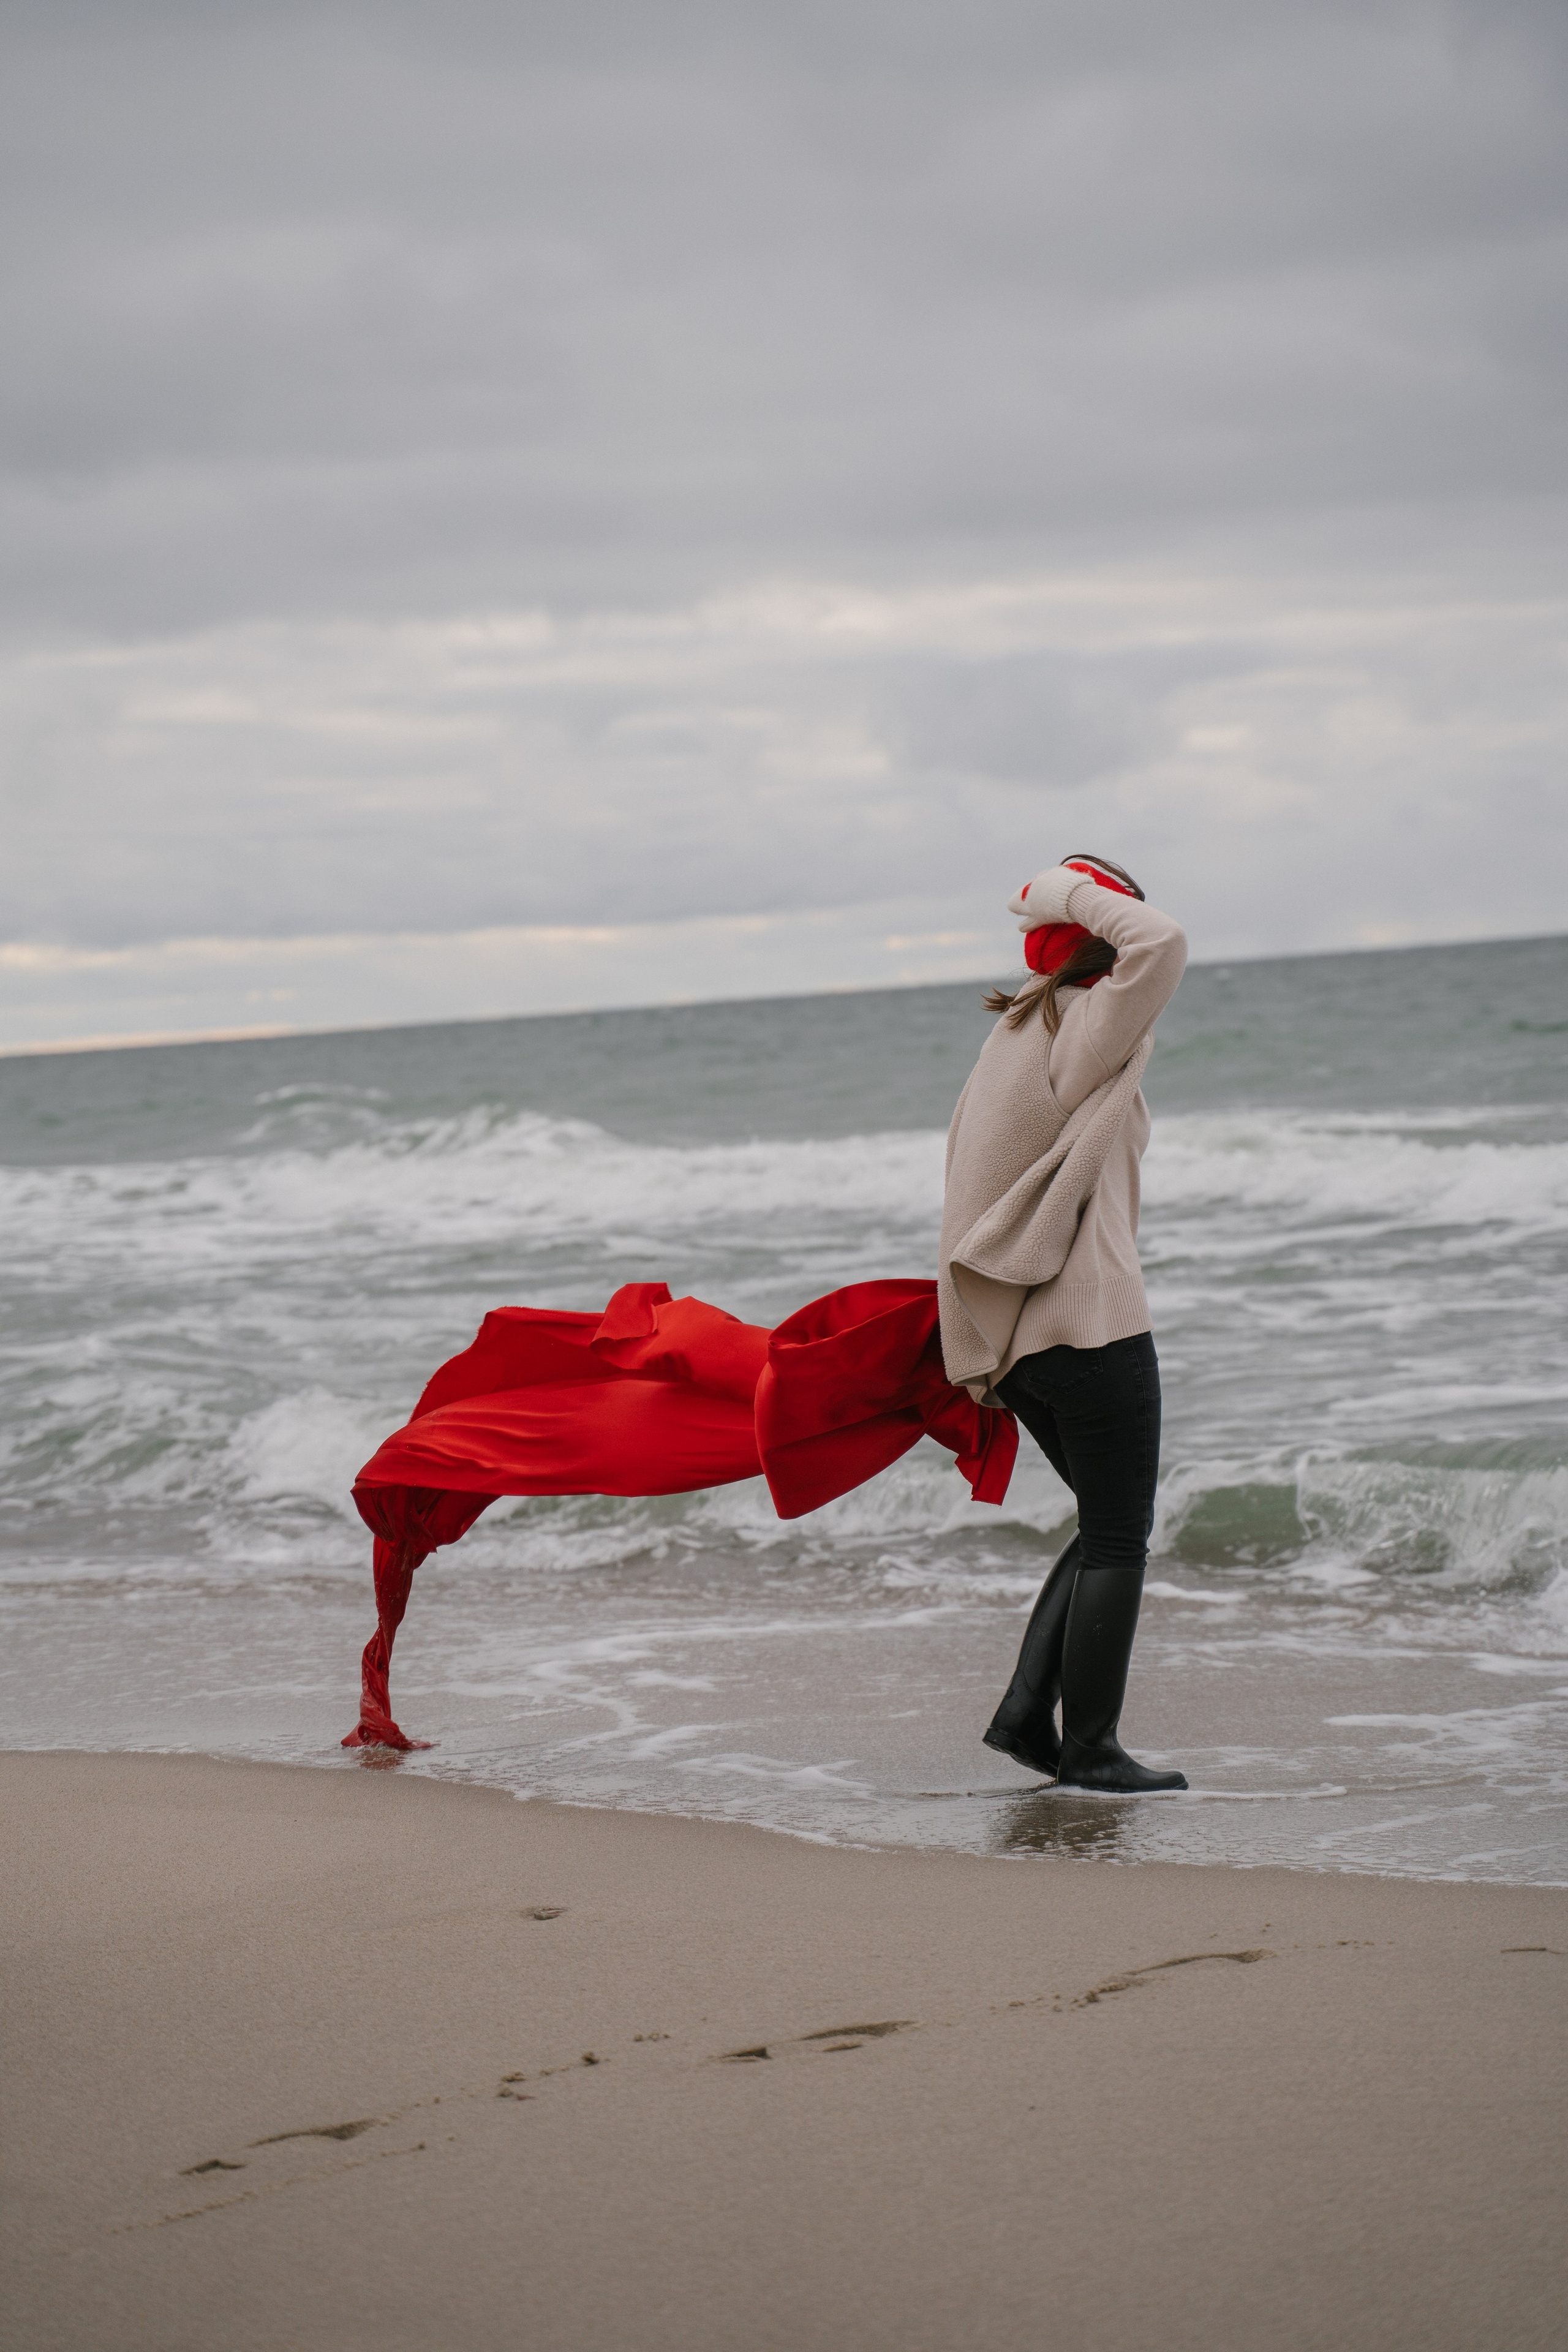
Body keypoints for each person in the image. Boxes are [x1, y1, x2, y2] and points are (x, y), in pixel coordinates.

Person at [937, 854, 1189, 1793]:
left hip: (1023, 1344)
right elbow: (1162, 942)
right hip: (1088, 1327)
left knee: (1102, 1525)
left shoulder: (1018, 1028)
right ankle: (1089, 1747)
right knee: (1122, 1535)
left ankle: (1024, 1717)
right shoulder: (1087, 1021)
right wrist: (1065, 891)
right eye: (1121, 907)